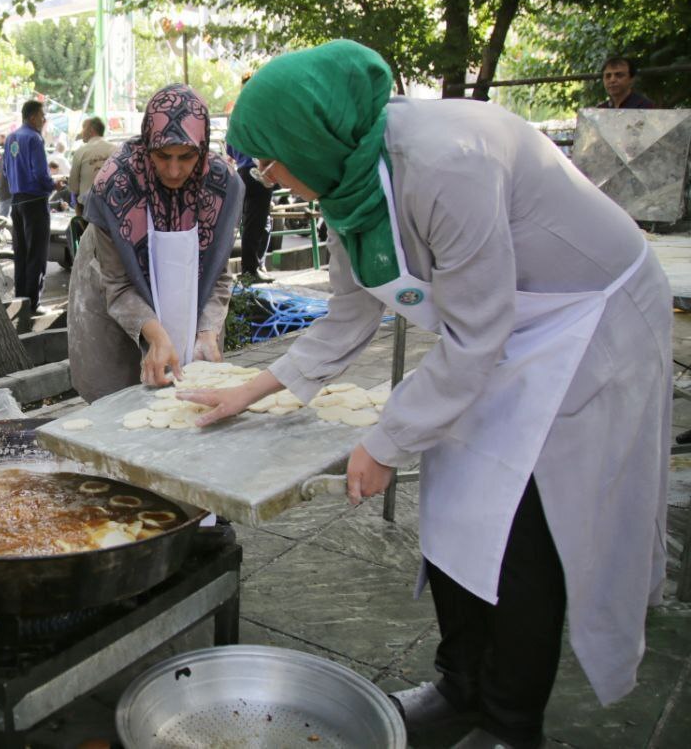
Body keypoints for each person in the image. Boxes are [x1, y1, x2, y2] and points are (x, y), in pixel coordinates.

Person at [183, 40, 670, 749]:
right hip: (504, 324)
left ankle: (510, 721)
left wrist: (384, 442)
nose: (268, 175)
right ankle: (459, 684)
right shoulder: (348, 175)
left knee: (520, 526)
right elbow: (352, 312)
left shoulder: (449, 162)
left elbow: (476, 339)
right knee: (453, 491)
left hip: (585, 319)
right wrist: (252, 390)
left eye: (268, 157)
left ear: (305, 136)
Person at [67, 85, 244, 403]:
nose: (174, 170)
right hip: (111, 295)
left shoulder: (220, 187)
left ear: (202, 149)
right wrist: (156, 334)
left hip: (192, 299)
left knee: (192, 384)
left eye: (186, 156)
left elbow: (218, 275)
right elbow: (118, 284)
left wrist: (206, 331)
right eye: (162, 156)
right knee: (118, 398)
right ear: (148, 146)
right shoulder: (115, 185)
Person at [2, 101, 55, 314]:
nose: (44, 120)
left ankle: (21, 301)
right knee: (37, 253)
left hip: (17, 201)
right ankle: (33, 303)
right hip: (34, 201)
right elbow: (40, 173)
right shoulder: (34, 138)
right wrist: (54, 184)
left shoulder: (10, 137)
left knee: (21, 253)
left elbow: (5, 170)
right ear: (32, 117)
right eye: (42, 116)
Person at [227, 73, 274, 282]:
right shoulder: (258, 111)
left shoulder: (236, 113)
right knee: (256, 222)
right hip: (257, 171)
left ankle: (253, 267)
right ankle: (250, 269)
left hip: (242, 172)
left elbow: (229, 146)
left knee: (251, 222)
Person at [66, 116, 116, 217]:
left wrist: (78, 212)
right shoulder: (116, 149)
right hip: (113, 207)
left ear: (91, 130)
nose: (81, 132)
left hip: (89, 210)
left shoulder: (81, 152)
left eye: (83, 128)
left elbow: (73, 187)